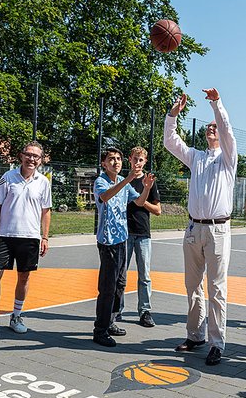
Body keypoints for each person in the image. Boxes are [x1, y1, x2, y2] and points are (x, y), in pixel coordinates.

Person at [163, 88, 237, 366]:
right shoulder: (196, 157)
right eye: (209, 127)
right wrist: (173, 114)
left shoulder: (228, 158)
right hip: (194, 228)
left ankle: (217, 343)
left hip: (218, 229)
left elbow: (227, 129)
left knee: (217, 288)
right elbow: (170, 141)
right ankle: (195, 335)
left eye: (215, 127)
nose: (212, 129)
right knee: (192, 285)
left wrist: (216, 104)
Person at [0, 142, 52, 338]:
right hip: (4, 235)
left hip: (30, 237)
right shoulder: (8, 177)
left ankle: (16, 316)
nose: (32, 159)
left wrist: (45, 236)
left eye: (36, 156)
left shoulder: (43, 182)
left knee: (24, 277)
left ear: (40, 160)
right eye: (28, 155)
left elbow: (46, 211)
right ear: (21, 156)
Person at [93, 147, 155, 347]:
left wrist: (146, 187)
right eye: (111, 159)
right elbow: (105, 197)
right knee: (108, 287)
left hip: (122, 240)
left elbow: (139, 201)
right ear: (104, 163)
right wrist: (128, 178)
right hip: (108, 242)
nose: (116, 162)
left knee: (120, 284)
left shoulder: (123, 181)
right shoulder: (101, 182)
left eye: (118, 159)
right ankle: (99, 330)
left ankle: (111, 322)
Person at [118, 147, 162, 328]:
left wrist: (142, 200)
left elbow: (158, 210)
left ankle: (145, 311)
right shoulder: (122, 181)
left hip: (143, 233)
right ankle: (116, 310)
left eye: (141, 160)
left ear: (145, 161)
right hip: (124, 232)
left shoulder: (149, 181)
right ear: (129, 159)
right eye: (135, 159)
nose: (137, 163)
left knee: (145, 275)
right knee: (120, 275)